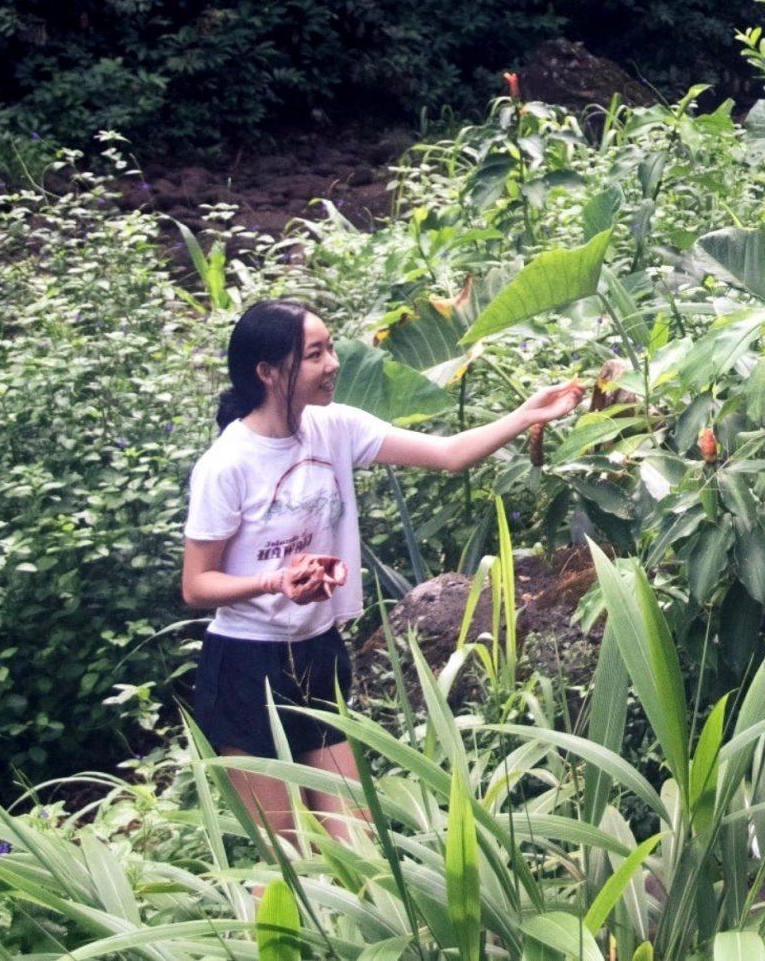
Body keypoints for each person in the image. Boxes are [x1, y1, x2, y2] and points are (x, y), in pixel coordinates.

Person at [182, 298, 584, 844]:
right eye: (316, 354)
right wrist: (276, 581)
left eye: (331, 349)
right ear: (268, 371)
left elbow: (448, 453)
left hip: (318, 651)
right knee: (284, 858)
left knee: (359, 842)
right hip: (247, 666)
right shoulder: (227, 465)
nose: (333, 364)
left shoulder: (336, 428)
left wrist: (526, 416)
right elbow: (197, 585)